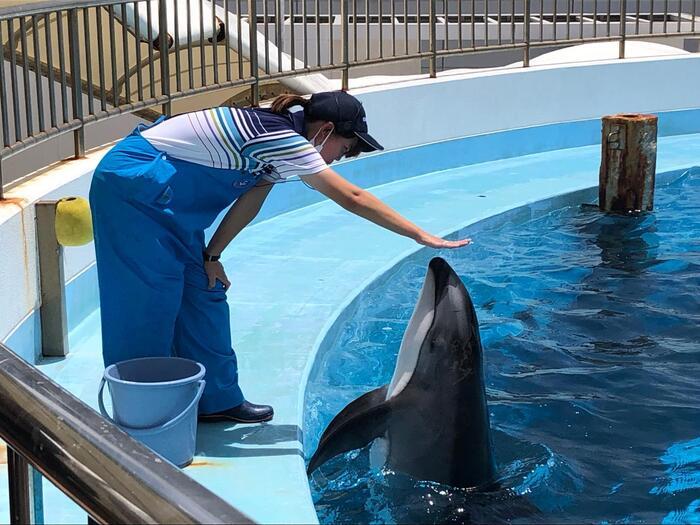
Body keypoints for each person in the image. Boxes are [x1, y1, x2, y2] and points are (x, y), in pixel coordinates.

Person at [89, 90, 471, 425]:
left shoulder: (276, 145)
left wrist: (212, 254)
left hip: (169, 201)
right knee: (148, 302)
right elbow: (351, 197)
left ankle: (215, 401)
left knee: (203, 290)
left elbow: (250, 200)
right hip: (135, 189)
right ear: (323, 129)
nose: (344, 156)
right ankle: (143, 412)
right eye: (347, 145)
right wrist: (420, 234)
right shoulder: (279, 136)